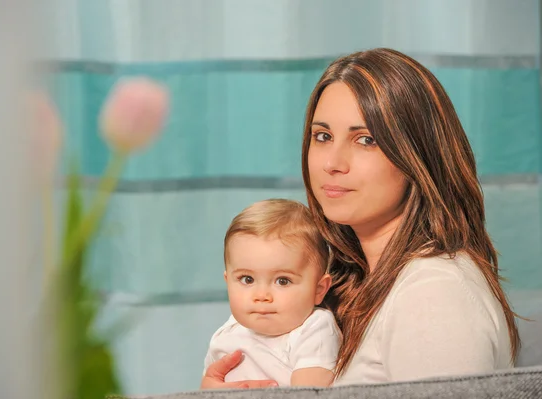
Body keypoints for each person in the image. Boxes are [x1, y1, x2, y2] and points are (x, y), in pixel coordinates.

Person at [201, 47, 520, 389]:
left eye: (366, 140)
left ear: (417, 156)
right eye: (322, 137)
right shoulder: (352, 281)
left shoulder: (434, 292)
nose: (332, 163)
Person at [203, 199, 342, 387]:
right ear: (228, 282)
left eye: (282, 281)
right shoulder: (226, 333)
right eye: (247, 279)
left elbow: (309, 394)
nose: (262, 295)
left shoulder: (314, 328)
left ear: (319, 290)